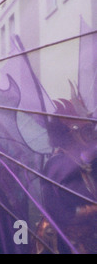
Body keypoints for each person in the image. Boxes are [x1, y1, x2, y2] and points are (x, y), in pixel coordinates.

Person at [35, 97, 96, 254]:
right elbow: (61, 213)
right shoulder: (58, 164)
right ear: (72, 133)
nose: (93, 135)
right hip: (63, 243)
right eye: (87, 130)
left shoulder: (82, 160)